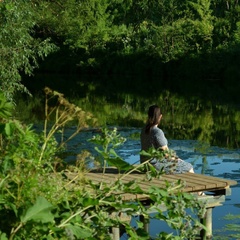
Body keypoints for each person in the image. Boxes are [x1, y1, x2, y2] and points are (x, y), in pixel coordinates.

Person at [140, 104, 194, 174]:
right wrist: (179, 160)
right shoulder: (158, 132)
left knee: (180, 165)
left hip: (145, 164)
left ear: (148, 115)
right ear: (160, 116)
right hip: (155, 166)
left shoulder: (144, 129)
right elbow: (167, 154)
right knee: (189, 167)